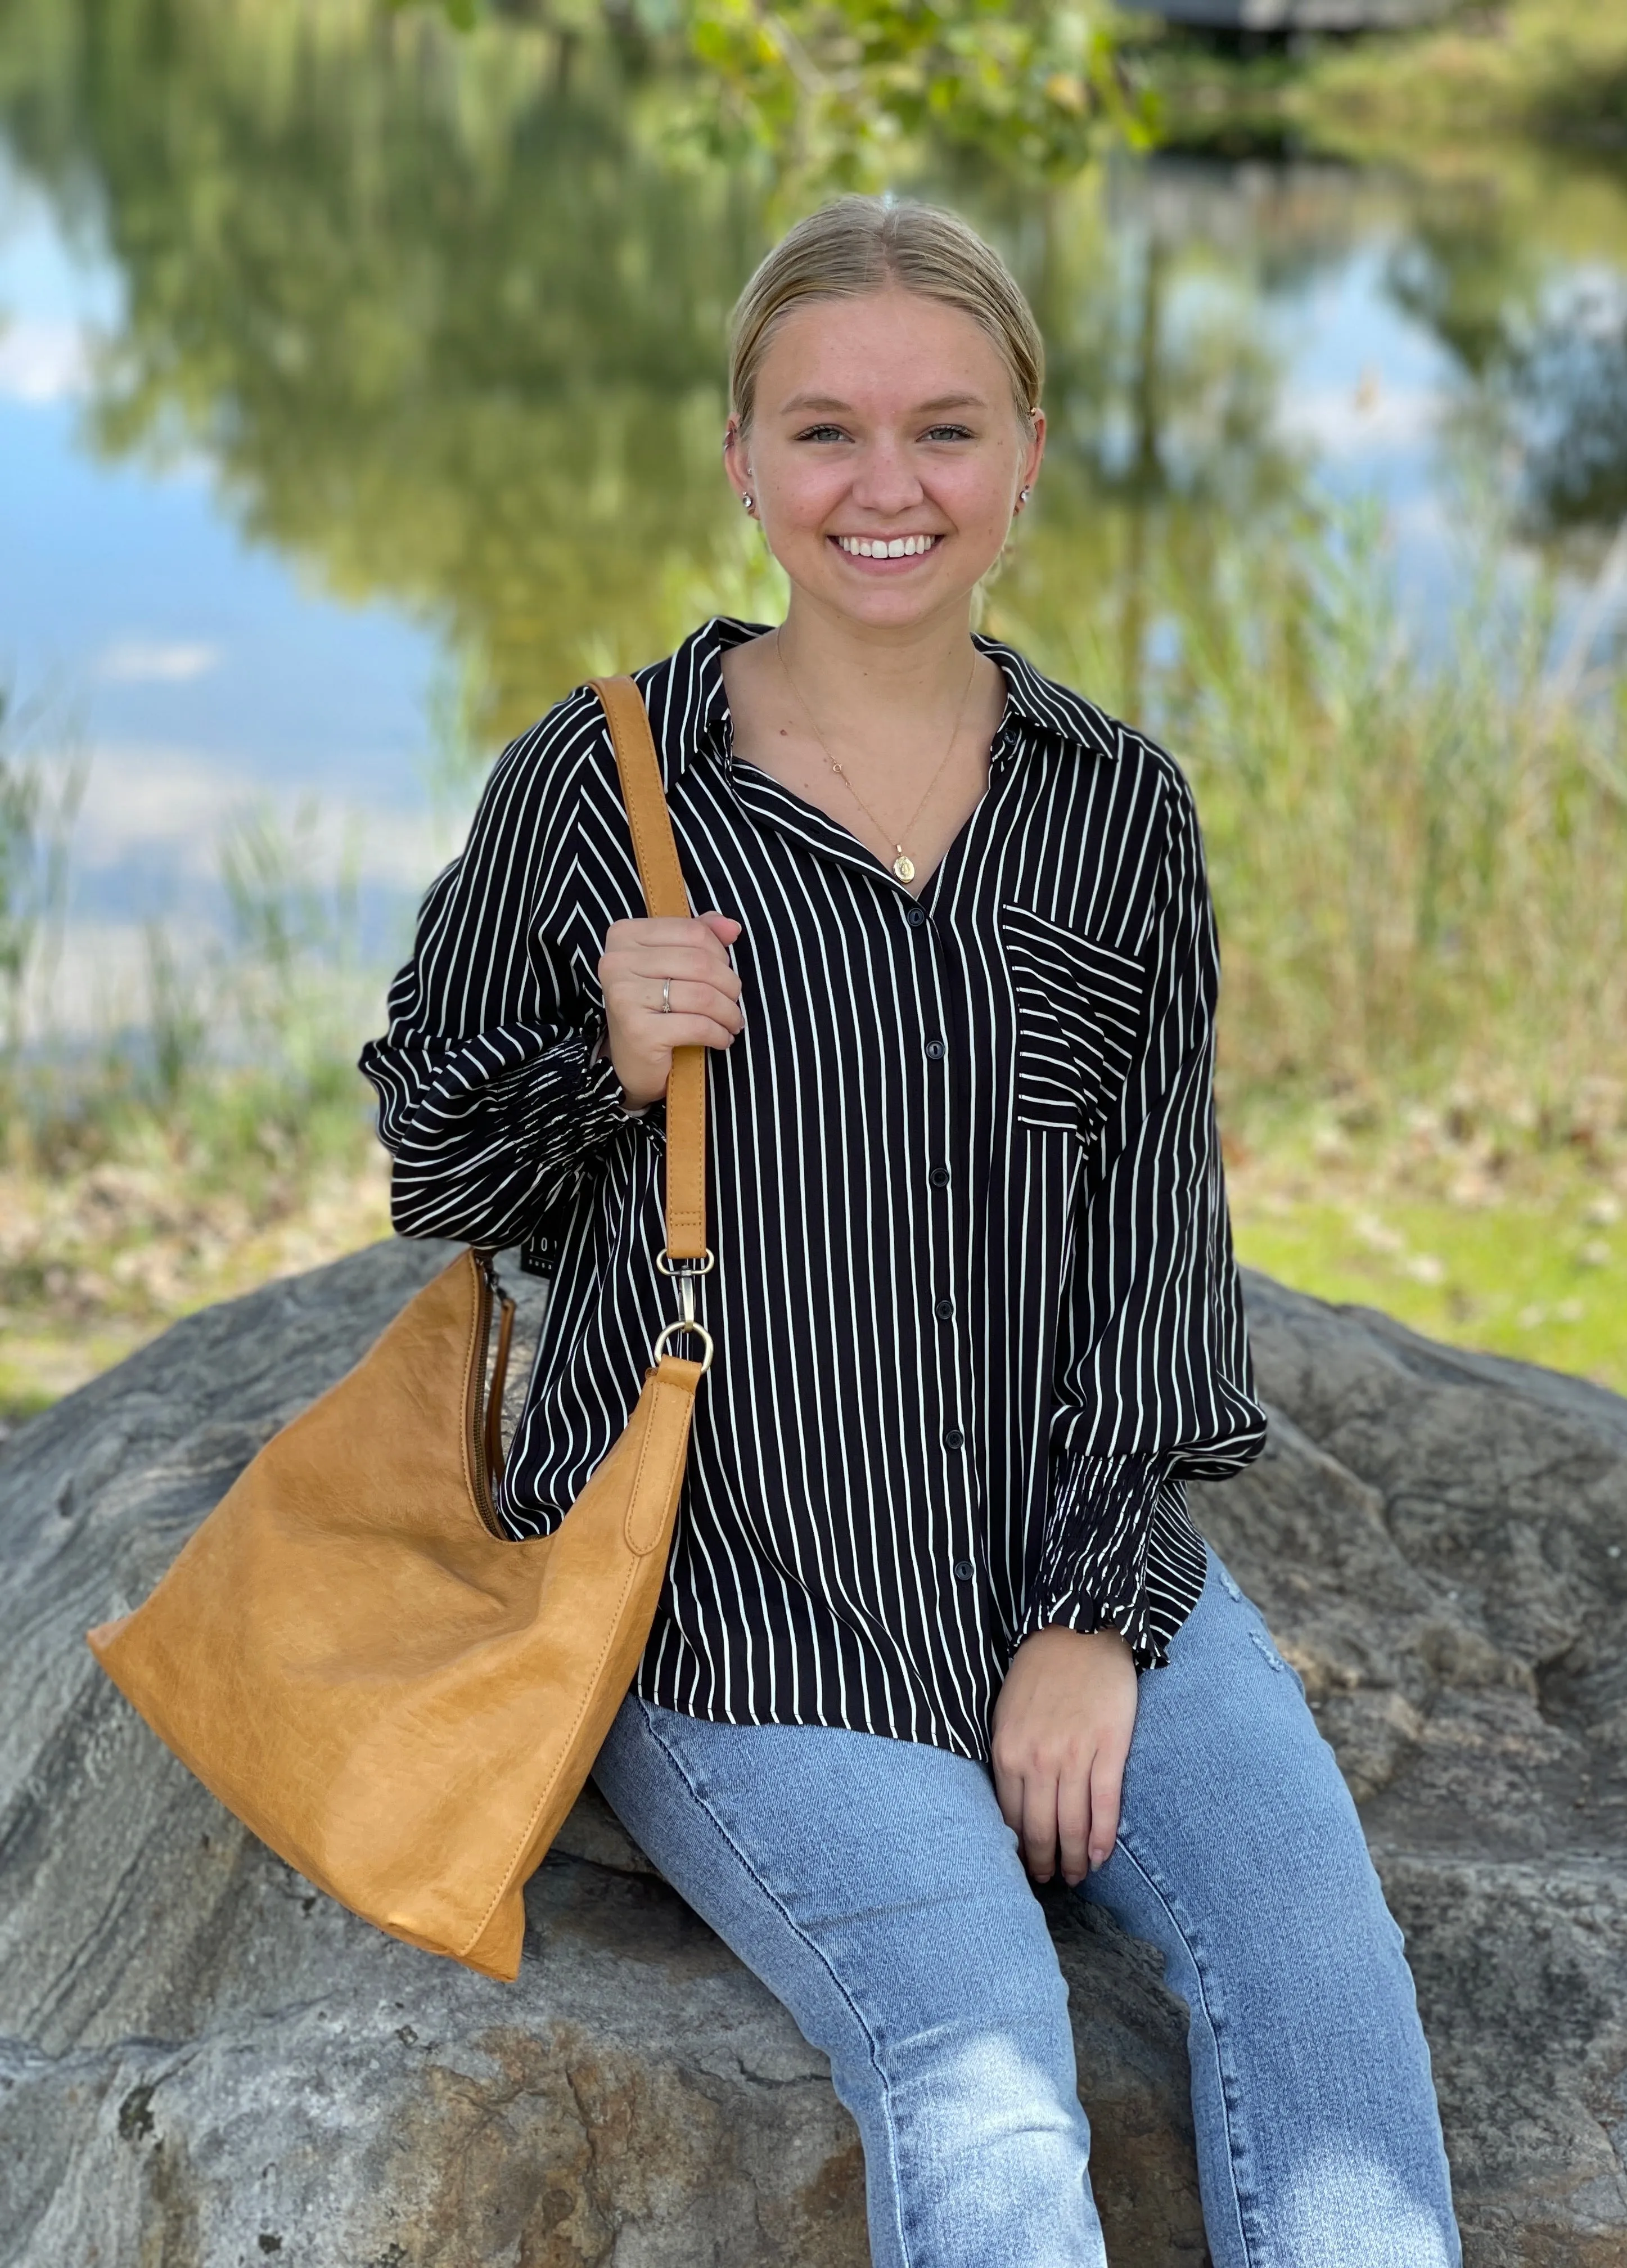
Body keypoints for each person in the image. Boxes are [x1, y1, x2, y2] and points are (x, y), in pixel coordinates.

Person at [360, 195, 1461, 2268]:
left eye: (947, 431)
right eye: (825, 433)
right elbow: (440, 1170)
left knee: (1327, 1988)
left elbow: (1152, 1248)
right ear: (743, 463)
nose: (888, 489)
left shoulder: (1119, 807)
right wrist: (605, 1056)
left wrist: (1092, 1617)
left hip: (1058, 1531)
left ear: (1030, 454)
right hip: (734, 1592)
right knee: (984, 2076)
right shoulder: (598, 784)